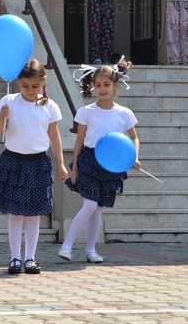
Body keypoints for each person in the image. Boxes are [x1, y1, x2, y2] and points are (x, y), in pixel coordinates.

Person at [58, 57, 140, 263]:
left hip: (112, 165)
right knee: (90, 204)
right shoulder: (86, 112)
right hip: (89, 161)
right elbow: (79, 141)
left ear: (116, 86)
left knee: (98, 209)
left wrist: (134, 157)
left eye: (106, 85)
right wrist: (75, 167)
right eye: (98, 85)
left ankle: (91, 251)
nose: (102, 89)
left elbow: (134, 138)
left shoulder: (125, 113)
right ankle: (66, 246)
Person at [0, 59, 68, 275]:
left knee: (34, 214)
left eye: (35, 86)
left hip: (38, 162)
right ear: (18, 82)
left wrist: (60, 162)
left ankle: (30, 259)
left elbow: (54, 135)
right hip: (14, 161)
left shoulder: (50, 106)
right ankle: (14, 257)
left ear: (43, 82)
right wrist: (2, 117)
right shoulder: (10, 101)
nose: (30, 91)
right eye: (25, 86)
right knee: (15, 213)